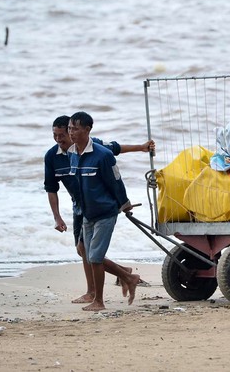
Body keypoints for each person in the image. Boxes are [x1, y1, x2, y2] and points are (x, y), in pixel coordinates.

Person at [44, 115, 153, 304]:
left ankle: (95, 291)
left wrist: (141, 147)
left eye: (64, 134)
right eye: (56, 135)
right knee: (83, 250)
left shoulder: (95, 148)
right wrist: (57, 217)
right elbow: (51, 189)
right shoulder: (53, 157)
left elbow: (115, 150)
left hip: (98, 205)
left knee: (86, 251)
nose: (60, 139)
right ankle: (123, 274)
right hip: (80, 206)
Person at [67, 111, 142, 311]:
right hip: (86, 214)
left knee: (96, 257)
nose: (71, 132)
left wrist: (124, 204)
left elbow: (116, 181)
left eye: (75, 128)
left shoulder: (104, 155)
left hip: (105, 213)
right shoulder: (72, 153)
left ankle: (99, 301)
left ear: (87, 129)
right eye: (70, 128)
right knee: (90, 255)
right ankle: (128, 277)